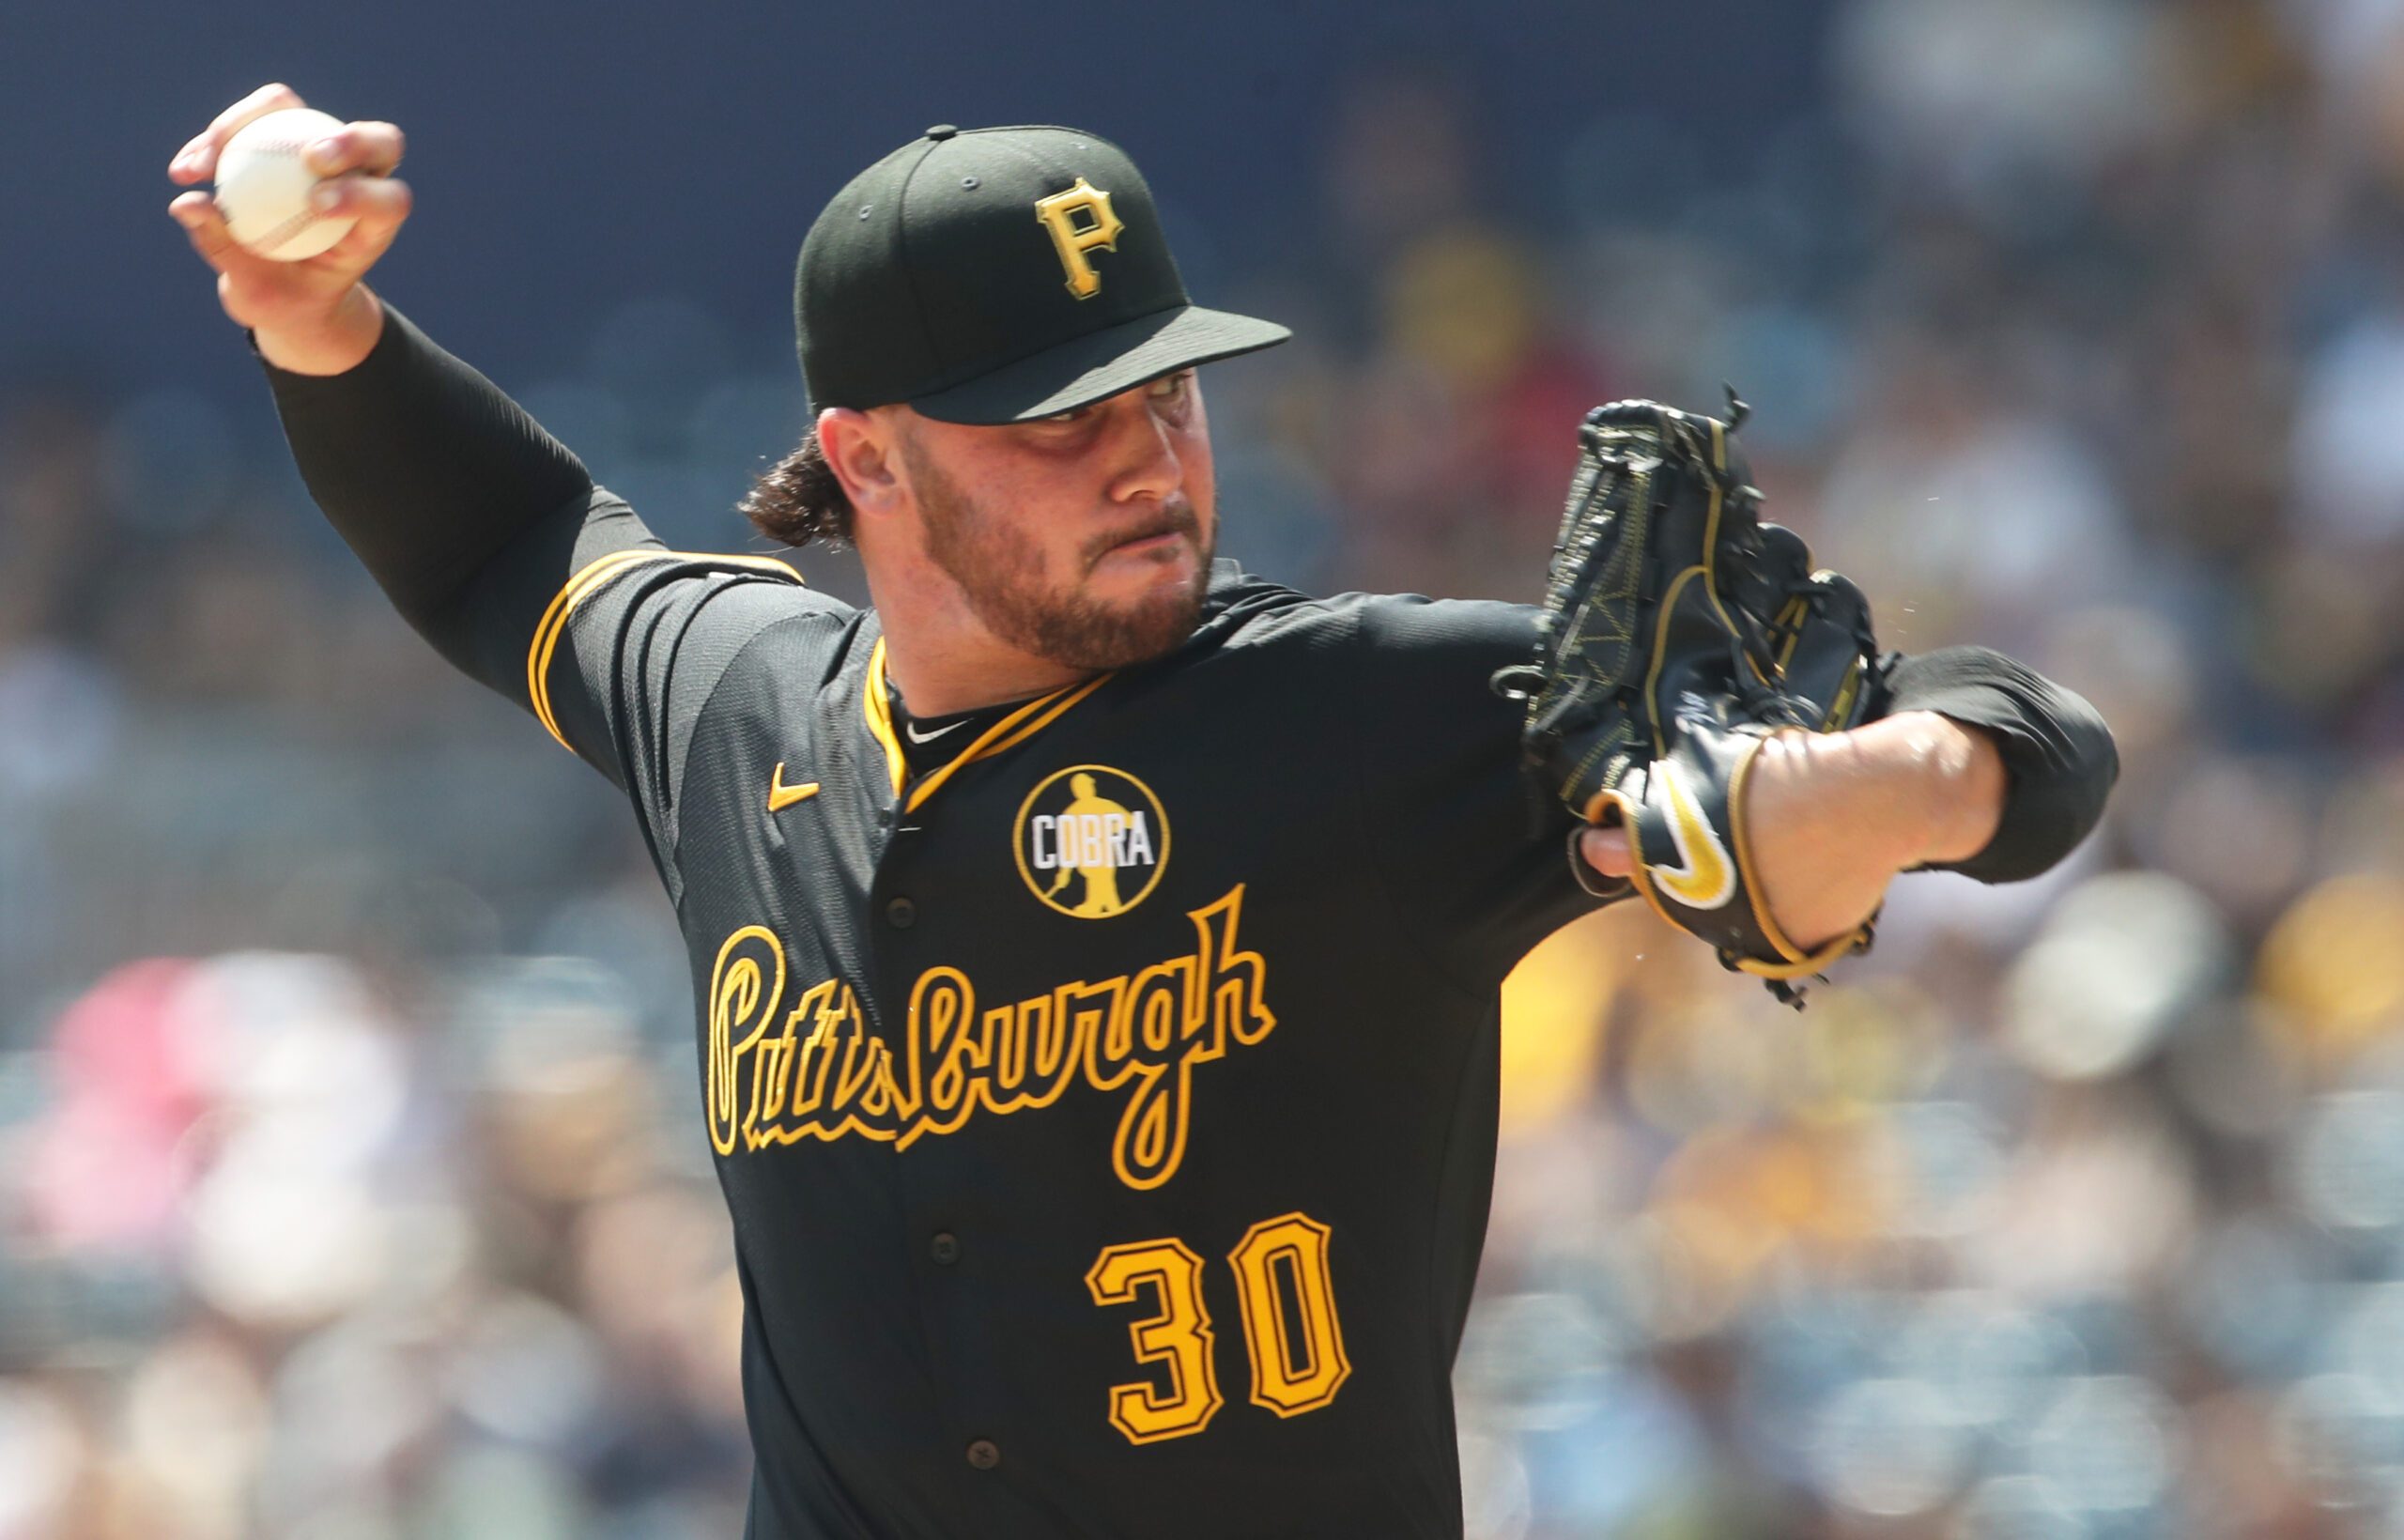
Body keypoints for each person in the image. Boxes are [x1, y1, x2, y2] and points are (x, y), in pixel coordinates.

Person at [168, 84, 2115, 1540]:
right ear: (866, 465)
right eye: (1059, 421)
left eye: (1165, 396)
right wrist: (317, 325)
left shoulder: (1377, 711)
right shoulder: (734, 707)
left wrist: (1882, 782)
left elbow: (2035, 741)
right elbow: (512, 544)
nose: (1145, 460)